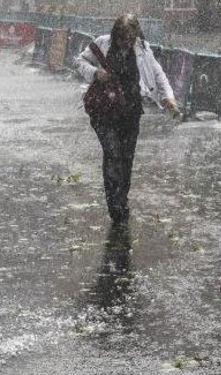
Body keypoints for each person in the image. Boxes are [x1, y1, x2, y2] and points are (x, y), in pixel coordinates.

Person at [75, 14, 180, 225]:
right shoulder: (102, 44)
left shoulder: (142, 48)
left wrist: (168, 96)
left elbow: (157, 72)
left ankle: (122, 198)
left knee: (126, 158)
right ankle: (115, 206)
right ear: (116, 35)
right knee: (113, 154)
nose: (127, 43)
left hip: (131, 111)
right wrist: (96, 73)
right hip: (103, 112)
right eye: (124, 38)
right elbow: (79, 61)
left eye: (131, 38)